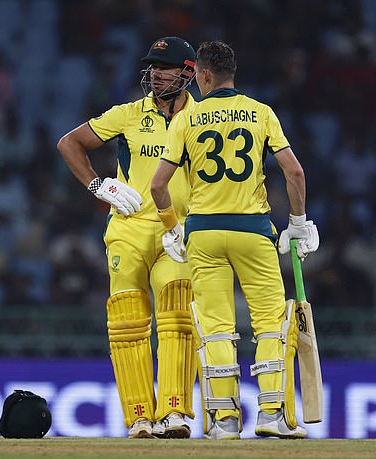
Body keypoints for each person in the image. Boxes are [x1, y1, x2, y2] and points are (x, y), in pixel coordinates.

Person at [150, 40, 320, 440]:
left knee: (216, 329)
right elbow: (294, 173)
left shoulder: (186, 120)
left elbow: (159, 185)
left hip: (204, 233)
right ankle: (271, 414)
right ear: (232, 74)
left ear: (204, 75)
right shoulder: (260, 112)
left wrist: (172, 226)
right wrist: (297, 223)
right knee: (270, 326)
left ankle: (224, 422)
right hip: (253, 231)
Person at [57, 37, 198, 439]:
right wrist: (98, 184)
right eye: (152, 66)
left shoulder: (203, 119)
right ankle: (139, 417)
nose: (155, 73)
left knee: (178, 317)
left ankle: (174, 413)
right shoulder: (129, 114)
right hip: (129, 229)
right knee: (127, 323)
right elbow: (69, 144)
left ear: (187, 73)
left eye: (164, 67)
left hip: (179, 231)